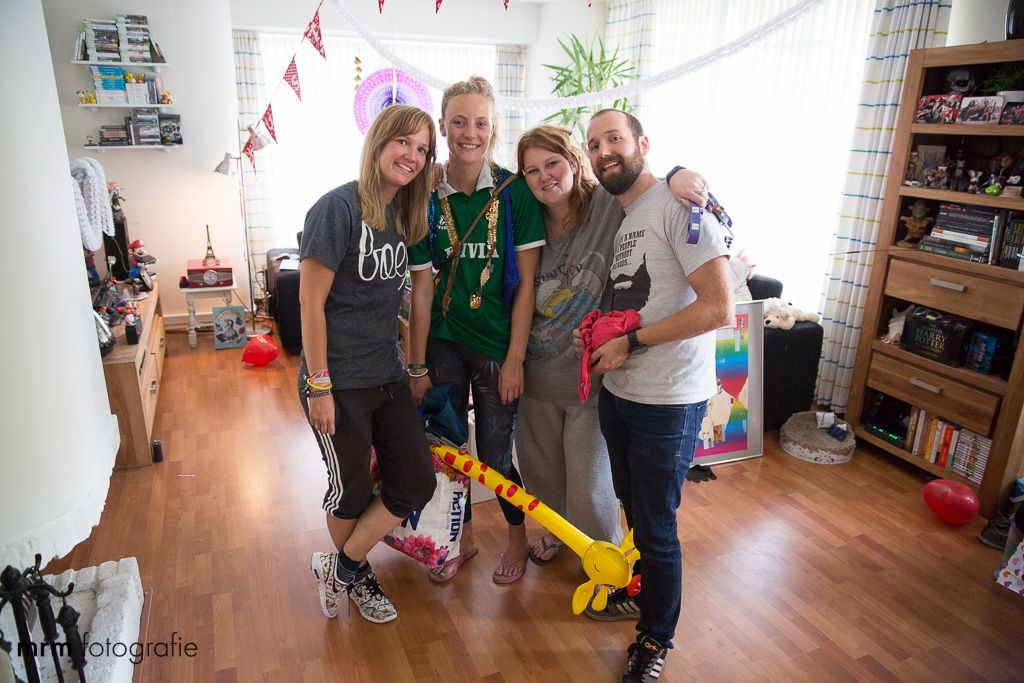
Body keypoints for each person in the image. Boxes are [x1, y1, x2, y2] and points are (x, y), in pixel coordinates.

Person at [582, 109, 734, 682]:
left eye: (614, 139)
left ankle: (654, 640)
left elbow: (718, 308)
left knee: (655, 524)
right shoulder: (627, 215)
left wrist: (631, 340)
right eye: (594, 145)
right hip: (622, 391)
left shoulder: (677, 204)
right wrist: (604, 335)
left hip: (668, 400)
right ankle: (643, 594)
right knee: (634, 507)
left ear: (643, 143)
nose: (604, 152)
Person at [513, 124, 710, 564]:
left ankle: (604, 560)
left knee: (591, 485)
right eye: (532, 170)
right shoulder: (524, 219)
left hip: (593, 379)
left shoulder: (606, 205)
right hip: (536, 377)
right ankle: (557, 535)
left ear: (574, 162)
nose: (544, 176)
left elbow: (642, 182)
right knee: (542, 474)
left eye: (552, 163)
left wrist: (678, 174)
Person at [300, 104, 438, 624]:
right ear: (379, 141)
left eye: (422, 149)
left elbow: (410, 293)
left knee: (416, 481)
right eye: (403, 142)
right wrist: (319, 386)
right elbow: (309, 303)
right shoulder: (337, 209)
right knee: (352, 490)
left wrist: (415, 366)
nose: (412, 156)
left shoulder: (406, 214)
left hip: (386, 373)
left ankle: (341, 566)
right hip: (337, 380)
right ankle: (358, 575)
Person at [407, 75, 545, 585]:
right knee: (448, 451)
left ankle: (517, 537)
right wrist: (416, 365)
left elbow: (526, 286)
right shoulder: (423, 196)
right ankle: (459, 540)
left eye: (481, 123)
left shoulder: (514, 193)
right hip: (443, 343)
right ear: (442, 127)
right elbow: (421, 290)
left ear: (493, 127)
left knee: (495, 453)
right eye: (460, 122)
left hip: (495, 346)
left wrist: (515, 360)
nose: (470, 133)